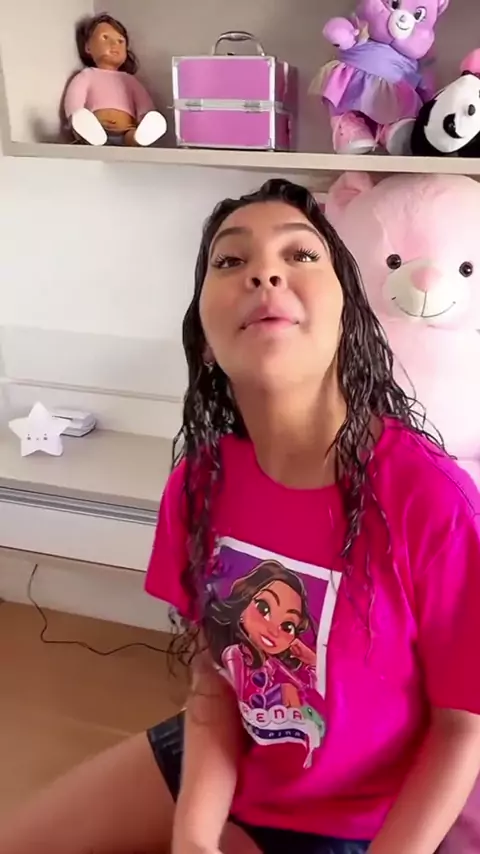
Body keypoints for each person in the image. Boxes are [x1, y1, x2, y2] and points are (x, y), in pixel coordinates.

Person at [2, 178, 480, 854]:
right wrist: (193, 836)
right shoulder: (198, 485)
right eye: (230, 260)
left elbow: (464, 726)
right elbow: (215, 679)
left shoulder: (431, 500)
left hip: (356, 820)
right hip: (227, 758)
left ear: (350, 316)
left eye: (301, 255)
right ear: (205, 339)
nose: (264, 273)